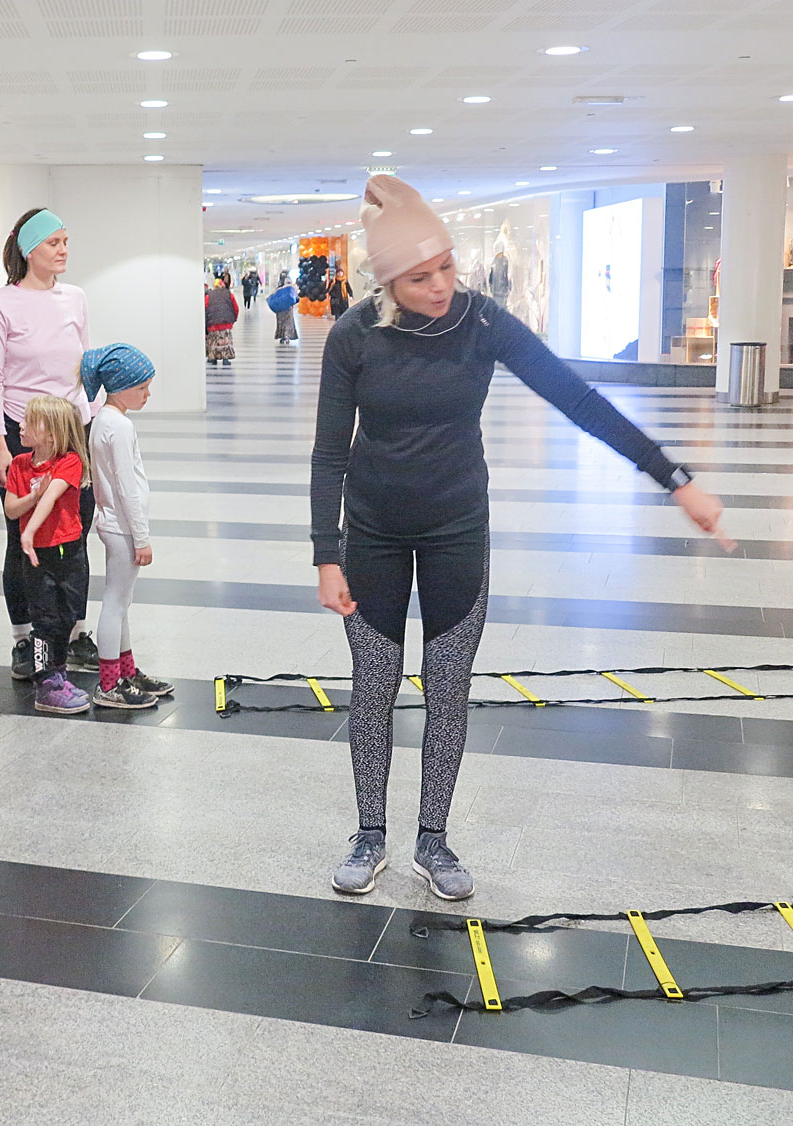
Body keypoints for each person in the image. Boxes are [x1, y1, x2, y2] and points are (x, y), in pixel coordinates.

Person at [312, 175, 734, 903]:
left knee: (449, 691)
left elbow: (577, 398)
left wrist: (675, 477)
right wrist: (326, 551)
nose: (441, 284)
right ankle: (370, 834)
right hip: (372, 533)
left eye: (446, 266)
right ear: (386, 280)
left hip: (457, 529)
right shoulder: (355, 335)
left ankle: (434, 841)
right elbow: (329, 452)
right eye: (420, 276)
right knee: (373, 685)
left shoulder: (482, 323)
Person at [0, 207, 99, 681]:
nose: (64, 250)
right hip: (22, 434)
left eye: (66, 241)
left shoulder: (76, 298)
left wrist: (92, 438)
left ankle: (73, 632)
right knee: (22, 537)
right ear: (30, 250)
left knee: (75, 531)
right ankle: (25, 640)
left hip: (73, 431)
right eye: (54, 243)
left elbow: (85, 367)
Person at [79, 344, 173, 711]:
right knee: (115, 604)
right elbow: (126, 487)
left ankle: (126, 671)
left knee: (121, 602)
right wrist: (142, 537)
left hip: (115, 523)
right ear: (119, 386)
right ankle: (109, 685)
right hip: (122, 527)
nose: (147, 394)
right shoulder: (117, 426)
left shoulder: (107, 420)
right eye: (142, 388)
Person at [3, 395, 93, 715]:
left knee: (67, 617)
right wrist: (31, 498)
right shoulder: (19, 464)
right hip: (38, 558)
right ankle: (45, 684)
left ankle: (59, 673)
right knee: (44, 621)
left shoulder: (69, 461)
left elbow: (52, 497)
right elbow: (12, 508)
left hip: (70, 554)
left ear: (52, 434)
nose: (20, 426)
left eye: (29, 422)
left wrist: (32, 521)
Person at [205, 274, 239, 365]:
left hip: (212, 324)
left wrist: (206, 323)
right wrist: (233, 319)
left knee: (214, 341)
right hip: (226, 323)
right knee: (225, 340)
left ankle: (213, 358)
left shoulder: (209, 296)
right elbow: (236, 308)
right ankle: (225, 358)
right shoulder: (229, 294)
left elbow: (205, 309)